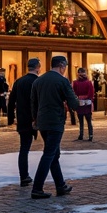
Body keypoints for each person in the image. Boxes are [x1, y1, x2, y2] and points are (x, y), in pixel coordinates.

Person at [30, 55, 79, 199]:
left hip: (42, 122)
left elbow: (33, 102)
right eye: (65, 67)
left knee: (54, 154)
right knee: (49, 154)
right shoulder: (62, 81)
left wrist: (35, 119)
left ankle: (60, 185)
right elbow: (73, 103)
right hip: (55, 121)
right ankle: (37, 188)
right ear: (62, 66)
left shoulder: (38, 81)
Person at [7, 58, 40, 187]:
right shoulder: (37, 81)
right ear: (38, 67)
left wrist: (11, 118)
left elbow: (11, 101)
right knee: (49, 149)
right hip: (36, 118)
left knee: (24, 149)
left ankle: (24, 176)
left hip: (22, 119)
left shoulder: (19, 81)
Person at [73, 66, 95, 141]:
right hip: (87, 103)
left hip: (80, 103)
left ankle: (81, 135)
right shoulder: (89, 83)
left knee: (81, 120)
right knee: (88, 120)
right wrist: (87, 98)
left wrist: (79, 98)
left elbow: (74, 93)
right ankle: (90, 135)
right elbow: (91, 94)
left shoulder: (75, 83)